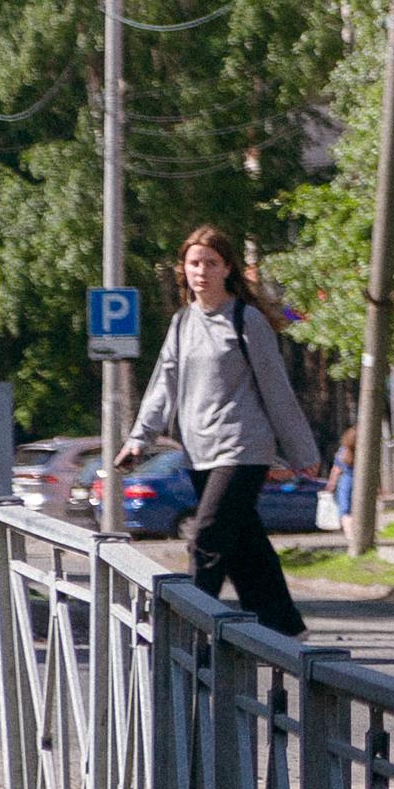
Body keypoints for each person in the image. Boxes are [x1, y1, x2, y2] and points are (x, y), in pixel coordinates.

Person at [126, 223, 319, 639]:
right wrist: (140, 437)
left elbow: (276, 389)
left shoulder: (246, 319)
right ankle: (283, 629)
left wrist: (302, 452)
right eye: (194, 263)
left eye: (211, 263)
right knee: (246, 546)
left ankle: (191, 633)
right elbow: (164, 383)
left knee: (207, 537)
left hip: (243, 448)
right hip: (199, 450)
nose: (202, 272)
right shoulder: (182, 323)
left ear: (227, 269)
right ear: (184, 270)